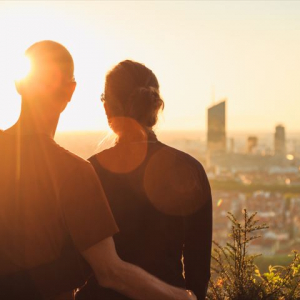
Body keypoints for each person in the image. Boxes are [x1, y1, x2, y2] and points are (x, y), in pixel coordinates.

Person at [0, 41, 197, 300]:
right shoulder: (74, 172)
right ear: (70, 91)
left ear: (18, 83)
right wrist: (183, 297)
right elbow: (110, 272)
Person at [76, 60, 212, 300]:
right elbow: (198, 266)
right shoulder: (190, 169)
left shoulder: (89, 172)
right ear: (156, 108)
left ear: (108, 108)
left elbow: (75, 264)